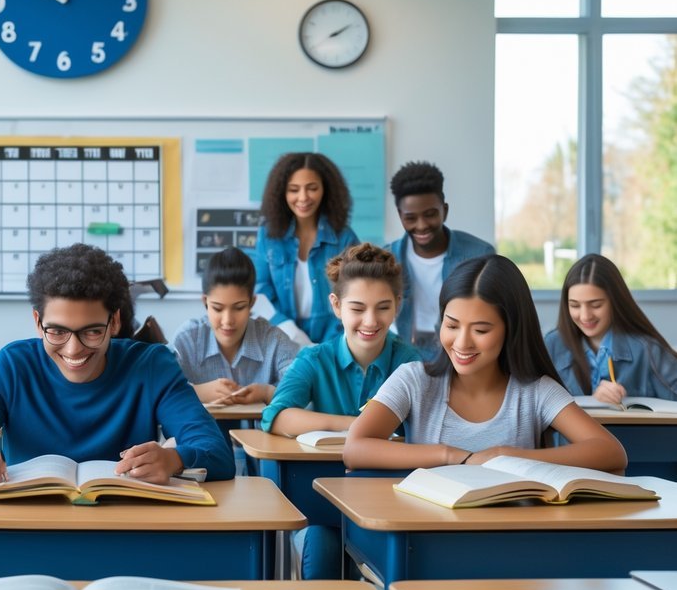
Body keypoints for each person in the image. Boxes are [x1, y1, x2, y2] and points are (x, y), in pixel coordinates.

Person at [0, 243, 235, 485]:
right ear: (38, 323)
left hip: (126, 526)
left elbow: (218, 454)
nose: (74, 349)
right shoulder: (13, 366)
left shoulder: (152, 365)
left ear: (114, 321)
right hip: (26, 523)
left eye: (92, 331)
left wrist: (175, 460)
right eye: (58, 331)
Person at [344, 255, 626, 473]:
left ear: (511, 330)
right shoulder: (414, 379)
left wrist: (507, 456)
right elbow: (355, 448)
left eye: (480, 330)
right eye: (451, 325)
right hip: (429, 532)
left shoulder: (535, 391)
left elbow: (611, 452)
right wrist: (454, 456)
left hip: (511, 533)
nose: (462, 343)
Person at [260, 243, 419, 580]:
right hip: (328, 506)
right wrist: (358, 426)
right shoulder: (315, 359)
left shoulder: (412, 362)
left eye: (383, 308)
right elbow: (276, 416)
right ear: (336, 306)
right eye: (357, 308)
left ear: (398, 306)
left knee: (406, 562)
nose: (371, 321)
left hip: (397, 502)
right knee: (321, 550)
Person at [384, 161, 494, 358]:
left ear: (445, 210)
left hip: (461, 350)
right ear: (400, 216)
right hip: (405, 352)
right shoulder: (387, 259)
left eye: (430, 214)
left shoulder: (480, 254)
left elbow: (494, 315)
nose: (422, 225)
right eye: (411, 218)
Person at [254, 152, 359, 347]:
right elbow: (261, 291)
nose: (303, 197)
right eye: (293, 189)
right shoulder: (267, 236)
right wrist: (292, 333)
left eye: (312, 188)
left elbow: (354, 294)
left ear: (325, 190)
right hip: (281, 337)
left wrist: (327, 347)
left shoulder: (344, 237)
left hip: (335, 340)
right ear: (281, 193)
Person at [171, 247, 299, 405]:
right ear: (205, 302)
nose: (227, 321)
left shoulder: (273, 339)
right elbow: (161, 391)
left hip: (260, 431)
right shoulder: (187, 340)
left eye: (239, 308)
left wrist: (268, 393)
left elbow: (303, 388)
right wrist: (198, 392)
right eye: (217, 308)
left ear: (252, 303)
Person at [545, 254, 677, 404]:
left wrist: (627, 400)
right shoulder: (552, 345)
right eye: (575, 305)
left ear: (615, 301)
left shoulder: (647, 349)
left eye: (596, 305)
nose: (585, 316)